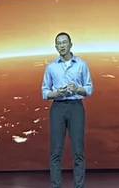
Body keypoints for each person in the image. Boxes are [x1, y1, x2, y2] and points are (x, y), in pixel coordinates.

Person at [41, 32, 94, 188]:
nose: (62, 45)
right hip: (58, 107)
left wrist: (77, 89)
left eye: (64, 42)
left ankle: (79, 186)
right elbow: (44, 91)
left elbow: (89, 89)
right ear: (56, 47)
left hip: (76, 107)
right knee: (56, 151)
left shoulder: (81, 65)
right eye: (59, 43)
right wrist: (56, 94)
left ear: (70, 45)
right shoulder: (51, 67)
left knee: (78, 151)